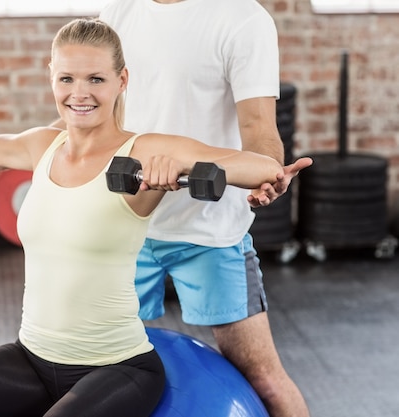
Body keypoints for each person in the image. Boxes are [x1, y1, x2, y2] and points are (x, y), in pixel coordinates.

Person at [0, 18, 310, 417]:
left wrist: (252, 173)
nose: (80, 93)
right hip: (33, 359)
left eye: (96, 79)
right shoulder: (45, 147)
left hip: (118, 368)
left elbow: (248, 163)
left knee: (265, 376)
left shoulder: (143, 151)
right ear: (52, 80)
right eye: (68, 79)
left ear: (122, 81)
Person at [97, 1, 311, 416]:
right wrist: (3, 152)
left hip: (210, 231)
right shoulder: (118, 11)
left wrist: (267, 171)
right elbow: (92, 111)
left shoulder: (243, 19)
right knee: (87, 367)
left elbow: (259, 128)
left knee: (264, 379)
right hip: (126, 225)